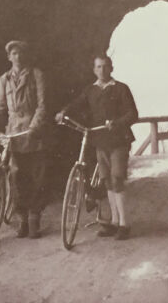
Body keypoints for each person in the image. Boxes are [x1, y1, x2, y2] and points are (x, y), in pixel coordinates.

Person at [55, 54, 138, 240]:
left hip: (118, 140)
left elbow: (133, 114)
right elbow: (77, 104)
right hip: (100, 141)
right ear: (94, 70)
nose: (102, 70)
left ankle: (124, 224)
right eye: (99, 67)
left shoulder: (121, 88)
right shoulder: (90, 90)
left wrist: (116, 123)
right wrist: (63, 112)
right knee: (106, 180)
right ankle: (113, 221)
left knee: (117, 177)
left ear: (111, 68)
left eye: (106, 66)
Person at [0, 40, 47, 239]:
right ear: (9, 57)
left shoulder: (36, 75)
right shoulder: (4, 79)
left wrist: (35, 125)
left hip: (32, 133)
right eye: (14, 54)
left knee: (36, 176)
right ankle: (23, 219)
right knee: (16, 176)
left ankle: (35, 218)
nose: (17, 57)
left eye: (20, 53)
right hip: (13, 132)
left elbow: (42, 105)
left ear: (25, 55)